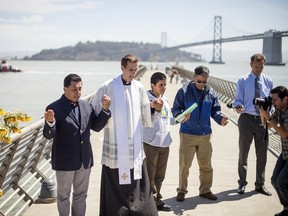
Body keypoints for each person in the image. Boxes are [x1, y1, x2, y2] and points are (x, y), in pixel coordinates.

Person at [91, 54, 163, 216]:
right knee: (116, 187)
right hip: (115, 147)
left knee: (138, 186)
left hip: (134, 148)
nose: (133, 73)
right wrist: (104, 107)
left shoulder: (139, 87)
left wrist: (153, 107)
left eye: (135, 70)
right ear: (122, 68)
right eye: (130, 69)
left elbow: (145, 114)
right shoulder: (107, 86)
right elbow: (95, 114)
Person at [43, 73, 111, 216]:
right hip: (64, 162)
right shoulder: (54, 107)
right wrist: (50, 122)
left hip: (84, 160)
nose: (78, 92)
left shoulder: (87, 106)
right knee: (63, 197)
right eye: (74, 89)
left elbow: (96, 127)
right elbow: (49, 134)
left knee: (81, 195)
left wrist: (105, 110)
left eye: (80, 89)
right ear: (65, 88)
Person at [172, 65, 228, 202]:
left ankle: (205, 190)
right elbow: (175, 109)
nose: (202, 84)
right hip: (187, 134)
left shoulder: (212, 93)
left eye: (205, 82)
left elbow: (215, 111)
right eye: (199, 81)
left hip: (205, 135)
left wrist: (221, 119)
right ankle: (181, 190)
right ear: (194, 78)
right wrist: (180, 115)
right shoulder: (183, 91)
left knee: (206, 165)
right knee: (184, 165)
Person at [234, 53, 273, 196]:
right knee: (243, 154)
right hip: (246, 119)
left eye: (261, 66)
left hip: (263, 121)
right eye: (256, 66)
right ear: (251, 65)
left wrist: (269, 115)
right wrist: (238, 106)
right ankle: (242, 183)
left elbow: (271, 102)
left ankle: (260, 184)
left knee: (262, 155)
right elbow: (237, 99)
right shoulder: (242, 80)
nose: (258, 69)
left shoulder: (268, 81)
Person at [143, 72, 175, 212]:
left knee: (160, 175)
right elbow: (146, 120)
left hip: (164, 143)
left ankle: (157, 201)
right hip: (151, 143)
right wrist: (155, 109)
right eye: (161, 85)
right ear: (152, 85)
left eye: (165, 85)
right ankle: (150, 203)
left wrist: (181, 118)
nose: (164, 87)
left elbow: (169, 119)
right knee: (150, 176)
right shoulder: (145, 99)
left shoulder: (165, 99)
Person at [259, 86, 288, 216]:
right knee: (274, 180)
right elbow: (266, 125)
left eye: (275, 100)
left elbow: (284, 134)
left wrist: (269, 118)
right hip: (285, 152)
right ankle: (287, 208)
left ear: (285, 99)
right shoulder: (279, 109)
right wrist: (263, 113)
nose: (273, 102)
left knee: (281, 181)